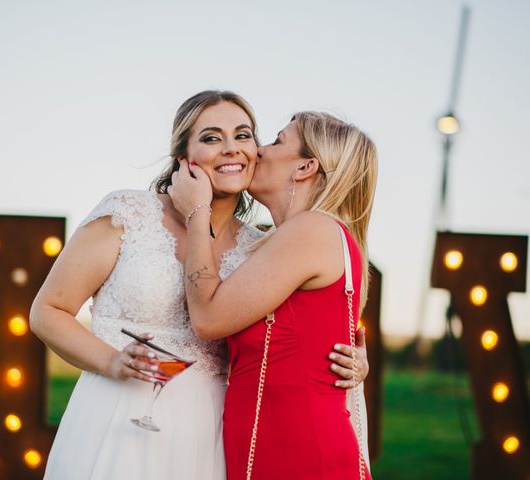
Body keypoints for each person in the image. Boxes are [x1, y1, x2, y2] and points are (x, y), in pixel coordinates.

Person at [30, 92, 366, 480]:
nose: (231, 149)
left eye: (243, 135)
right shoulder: (129, 214)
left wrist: (355, 361)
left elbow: (311, 322)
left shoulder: (260, 246)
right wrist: (111, 361)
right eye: (210, 138)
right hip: (119, 411)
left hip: (211, 433)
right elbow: (47, 312)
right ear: (183, 156)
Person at [169, 111, 377, 479]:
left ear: (305, 167)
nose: (259, 151)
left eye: (278, 141)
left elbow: (208, 318)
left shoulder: (311, 230)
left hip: (300, 454)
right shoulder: (297, 237)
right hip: (277, 448)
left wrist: (197, 213)